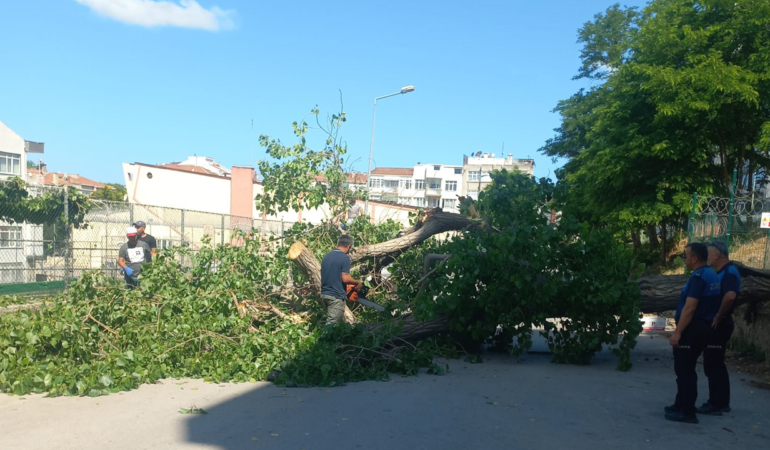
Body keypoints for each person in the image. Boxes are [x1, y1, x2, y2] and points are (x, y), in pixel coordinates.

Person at [665, 242, 722, 424]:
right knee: (685, 367)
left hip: (693, 327)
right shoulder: (711, 274)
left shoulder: (698, 277)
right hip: (704, 327)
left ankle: (687, 411)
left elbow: (690, 308)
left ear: (695, 258)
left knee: (685, 369)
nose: (684, 259)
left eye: (685, 256)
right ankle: (679, 404)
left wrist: (677, 333)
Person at [698, 241, 741, 415]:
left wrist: (718, 316)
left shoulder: (729, 272)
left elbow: (730, 296)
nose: (707, 258)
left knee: (713, 362)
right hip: (719, 323)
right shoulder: (723, 272)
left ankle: (716, 403)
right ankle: (721, 402)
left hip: (720, 324)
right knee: (715, 362)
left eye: (708, 254)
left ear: (717, 255)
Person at [320, 234, 362, 324]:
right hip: (335, 296)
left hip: (325, 294)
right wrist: (356, 282)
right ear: (349, 246)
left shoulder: (327, 257)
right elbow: (345, 278)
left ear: (338, 244)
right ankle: (324, 338)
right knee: (331, 326)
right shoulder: (344, 258)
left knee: (340, 324)